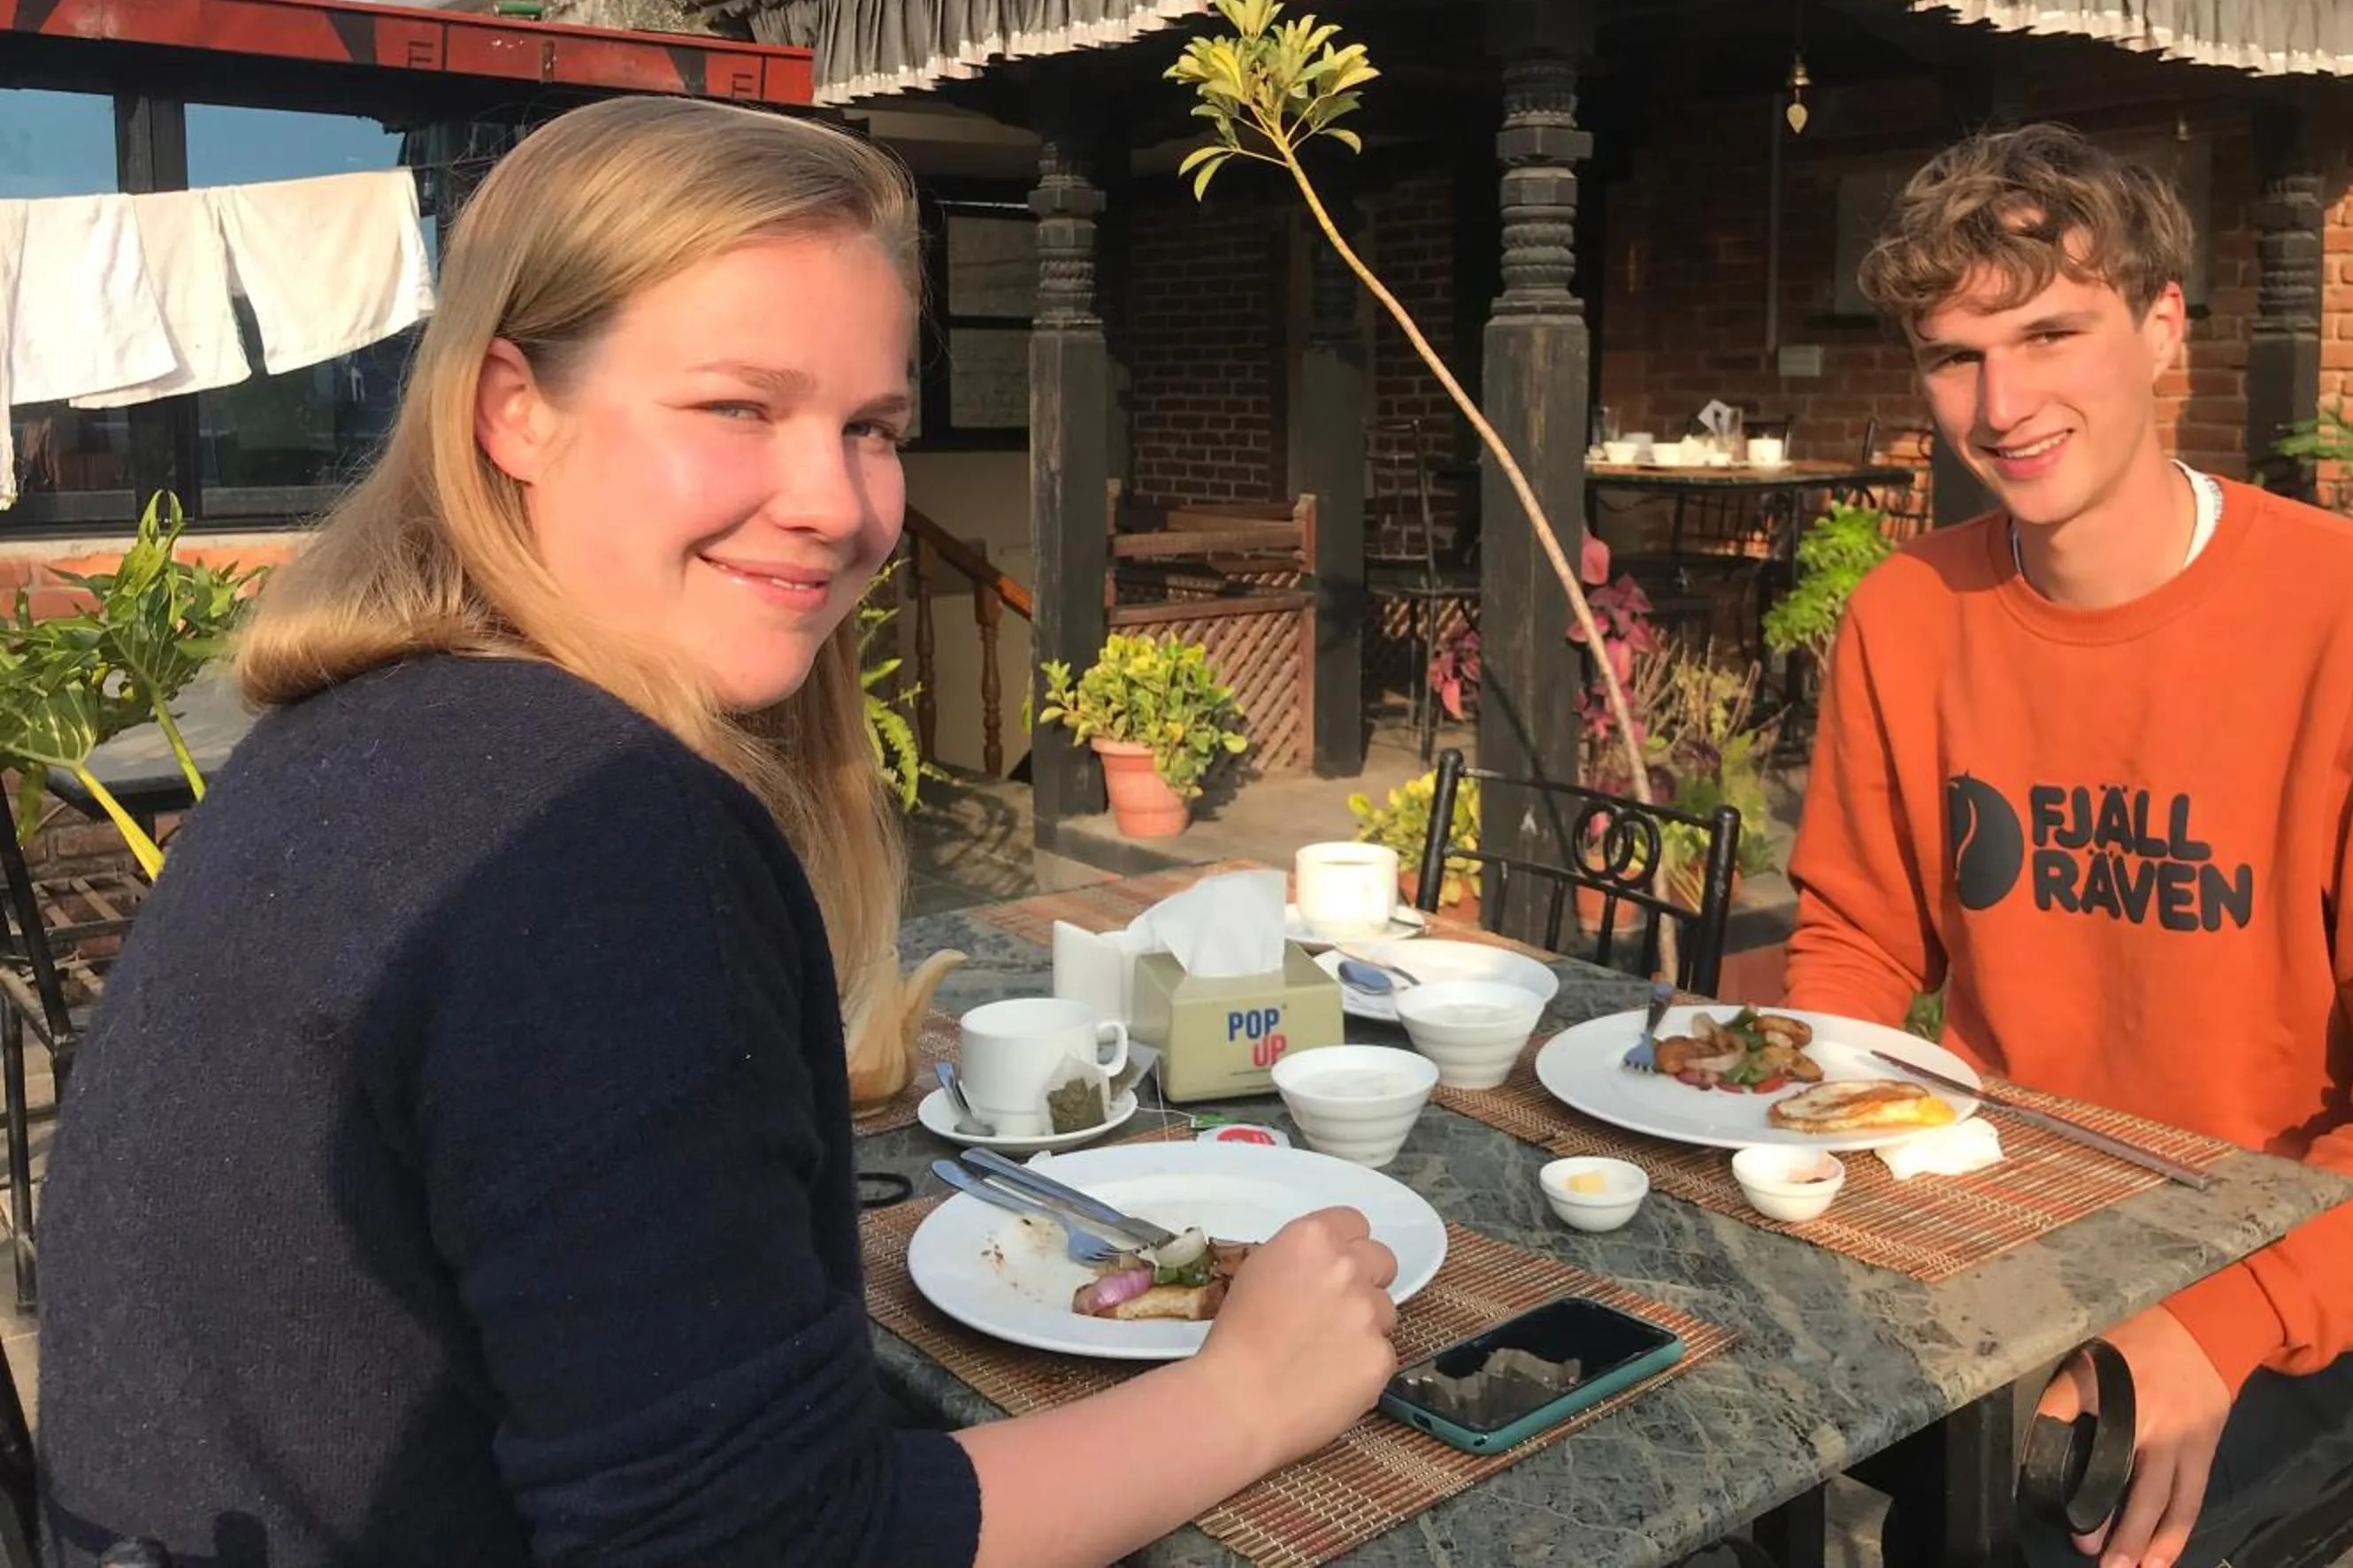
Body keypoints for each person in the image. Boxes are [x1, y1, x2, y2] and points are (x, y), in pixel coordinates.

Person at [36, 96, 1402, 1567]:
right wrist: (1248, 1396)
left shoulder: (357, 734)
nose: (836, 503)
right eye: (739, 407)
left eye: (871, 427)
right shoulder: (592, 836)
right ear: (515, 408)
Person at [1783, 123, 2353, 1568]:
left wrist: (2226, 1318)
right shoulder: (1908, 611)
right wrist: (1796, 1142)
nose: (2002, 401)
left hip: (2275, 1260)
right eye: (1956, 355)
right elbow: (1856, 936)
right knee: (1700, 1408)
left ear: (2160, 331)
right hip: (1988, 1212)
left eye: (2050, 333)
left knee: (2029, 1517)